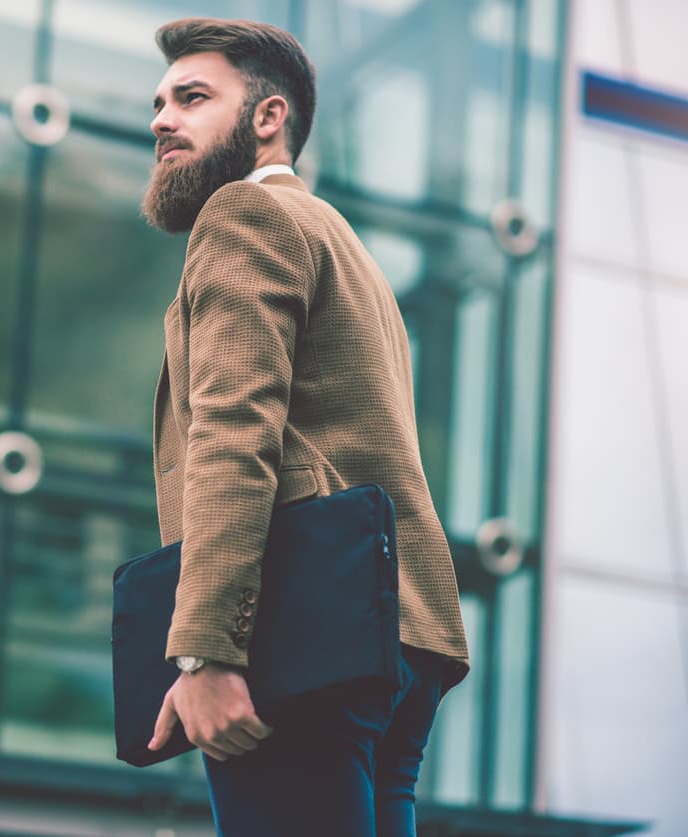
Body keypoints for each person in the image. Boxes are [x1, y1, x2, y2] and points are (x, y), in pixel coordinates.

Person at [140, 18, 471, 837]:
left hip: (297, 629)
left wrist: (207, 651)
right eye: (158, 103)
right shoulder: (345, 246)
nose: (160, 120)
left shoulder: (243, 219)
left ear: (267, 117)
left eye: (191, 98)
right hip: (396, 632)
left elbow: (233, 435)